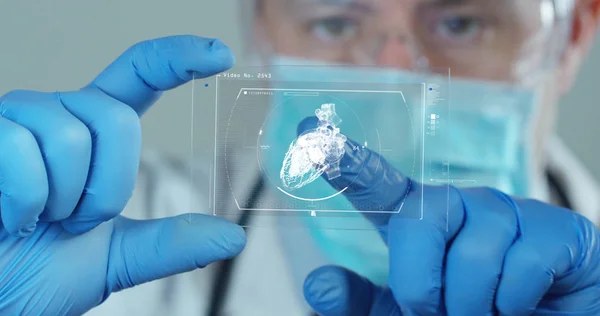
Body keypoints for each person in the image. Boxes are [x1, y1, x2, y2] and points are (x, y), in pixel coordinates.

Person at [1, 0, 600, 315]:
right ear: (260, 32)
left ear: (573, 34)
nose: (392, 70)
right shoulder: (95, 240)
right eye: (334, 21)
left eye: (462, 22)